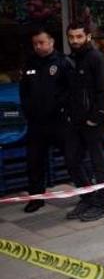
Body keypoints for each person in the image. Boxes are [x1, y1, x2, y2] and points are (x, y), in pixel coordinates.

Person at [18, 27, 71, 213]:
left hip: (59, 122)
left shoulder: (63, 63)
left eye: (41, 42)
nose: (38, 46)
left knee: (73, 159)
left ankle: (87, 194)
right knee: (34, 162)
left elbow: (70, 90)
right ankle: (36, 198)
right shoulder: (29, 64)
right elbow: (24, 91)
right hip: (36, 124)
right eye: (35, 44)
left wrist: (61, 109)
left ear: (51, 42)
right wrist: (28, 110)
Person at [64, 21, 104, 222]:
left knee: (98, 164)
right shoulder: (71, 60)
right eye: (71, 37)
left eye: (79, 37)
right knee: (72, 161)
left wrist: (96, 118)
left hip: (94, 123)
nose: (75, 41)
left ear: (88, 37)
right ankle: (87, 197)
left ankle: (102, 205)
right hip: (75, 122)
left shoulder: (95, 58)